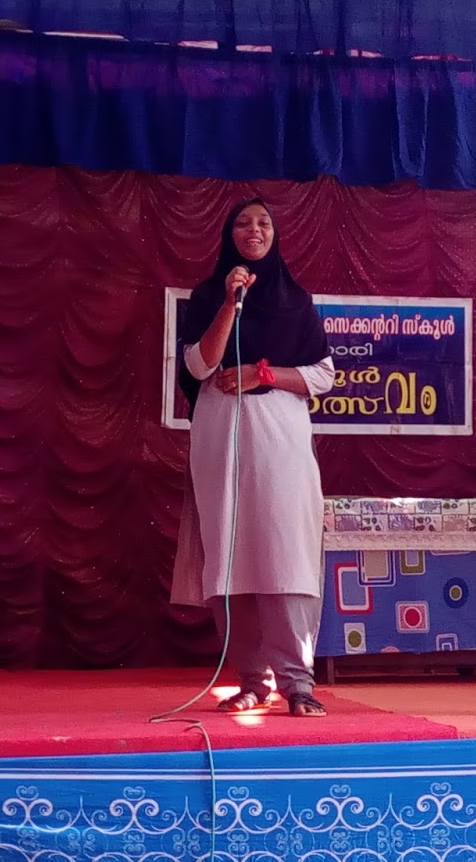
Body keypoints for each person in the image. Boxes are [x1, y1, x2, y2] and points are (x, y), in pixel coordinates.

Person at [172, 199, 336, 718]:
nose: (254, 230)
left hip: (280, 441)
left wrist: (261, 374)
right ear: (229, 235)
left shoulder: (297, 301)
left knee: (284, 553)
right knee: (230, 555)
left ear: (275, 234)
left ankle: (297, 682)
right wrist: (229, 303)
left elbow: (323, 375)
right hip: (220, 437)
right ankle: (251, 680)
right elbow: (200, 365)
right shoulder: (207, 295)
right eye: (243, 223)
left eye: (264, 222)